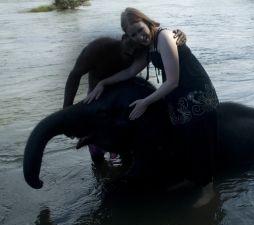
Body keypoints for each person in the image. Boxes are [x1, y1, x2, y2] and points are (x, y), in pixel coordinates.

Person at [84, 7, 219, 187]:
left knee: (198, 139)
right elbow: (131, 71)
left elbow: (172, 81)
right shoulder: (148, 46)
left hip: (196, 93)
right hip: (178, 96)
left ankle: (208, 188)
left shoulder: (164, 37)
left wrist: (145, 102)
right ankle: (192, 177)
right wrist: (103, 83)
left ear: (147, 22)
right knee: (183, 139)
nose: (140, 36)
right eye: (133, 35)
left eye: (140, 30)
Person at [63, 26, 187, 164]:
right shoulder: (99, 48)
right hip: (97, 104)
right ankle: (101, 175)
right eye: (129, 49)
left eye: (136, 50)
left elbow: (154, 34)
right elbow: (75, 76)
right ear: (123, 38)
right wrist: (66, 113)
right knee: (97, 153)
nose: (132, 51)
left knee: (127, 151)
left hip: (123, 108)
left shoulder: (142, 50)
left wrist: (177, 34)